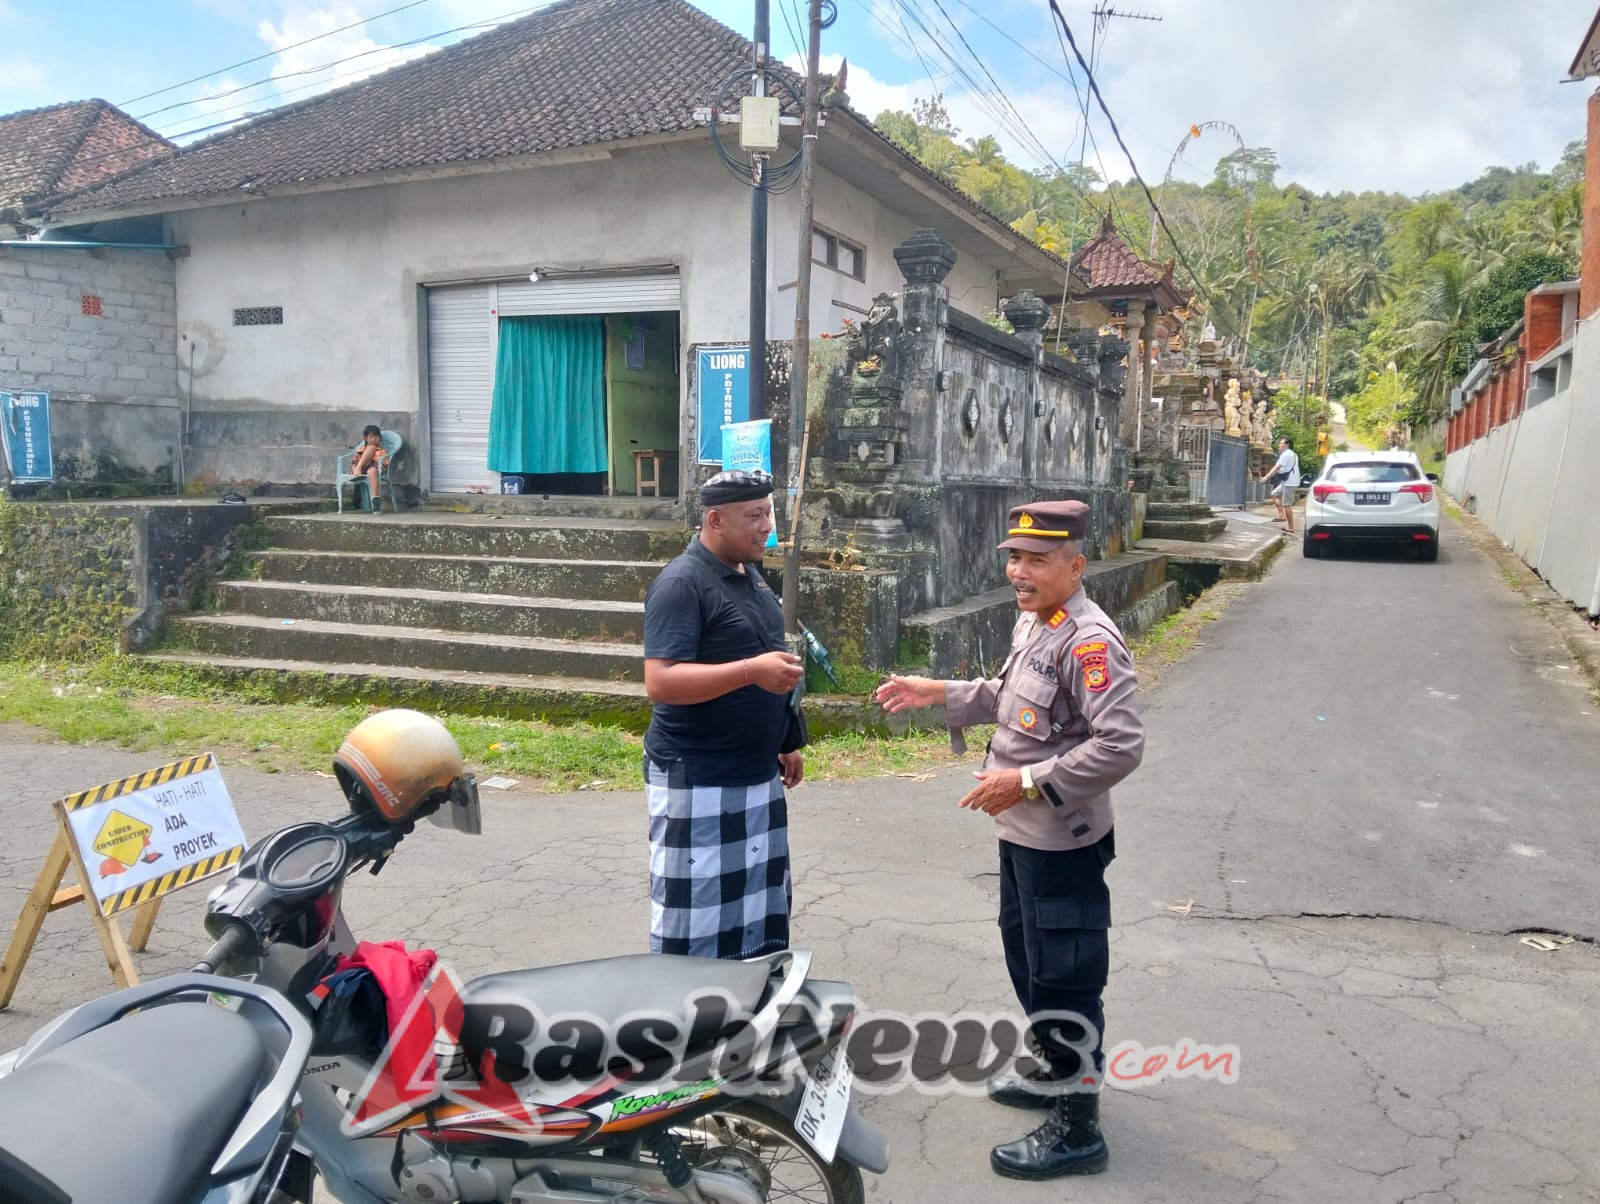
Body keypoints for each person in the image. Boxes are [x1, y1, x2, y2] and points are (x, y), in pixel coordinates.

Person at [873, 499, 1144, 1181]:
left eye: (1037, 560)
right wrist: (937, 690)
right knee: (1029, 962)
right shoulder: (1038, 621)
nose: (1020, 571)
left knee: (1066, 979)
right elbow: (1010, 695)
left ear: (1075, 565)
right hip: (1021, 834)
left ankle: (1079, 1131)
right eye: (1014, 558)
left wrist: (1024, 782)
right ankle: (1057, 1072)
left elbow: (1120, 745)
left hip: (1061, 839)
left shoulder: (1089, 640)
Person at [641, 469, 808, 960]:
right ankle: (685, 1023)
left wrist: (786, 737)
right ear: (715, 520)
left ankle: (745, 1013)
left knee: (757, 914)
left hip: (755, 775)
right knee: (698, 917)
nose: (767, 527)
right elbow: (661, 681)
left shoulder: (747, 574)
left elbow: (767, 651)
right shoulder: (681, 583)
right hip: (699, 777)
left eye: (769, 513)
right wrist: (750, 673)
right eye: (754, 516)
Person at [1262, 436, 1300, 533]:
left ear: (1287, 445)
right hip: (1287, 481)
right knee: (1274, 494)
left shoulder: (1286, 454)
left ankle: (1291, 527)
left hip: (1290, 482)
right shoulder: (1293, 454)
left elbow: (1276, 467)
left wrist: (1266, 477)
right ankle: (1281, 516)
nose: (1279, 446)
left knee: (1287, 504)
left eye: (1281, 444)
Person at [350, 425, 389, 513]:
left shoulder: (382, 451)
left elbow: (384, 465)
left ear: (380, 437)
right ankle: (358, 470)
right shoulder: (361, 449)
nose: (374, 439)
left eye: (376, 436)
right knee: (371, 448)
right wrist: (356, 467)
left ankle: (375, 501)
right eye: (371, 437)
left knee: (373, 471)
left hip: (373, 468)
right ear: (366, 438)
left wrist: (373, 461)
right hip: (360, 469)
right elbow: (354, 461)